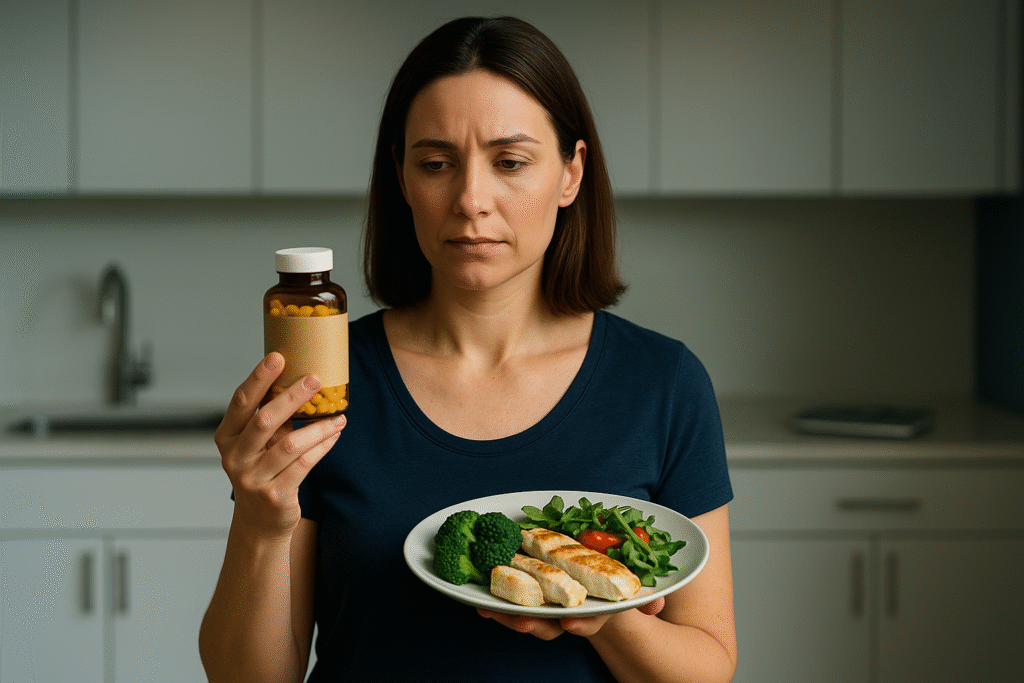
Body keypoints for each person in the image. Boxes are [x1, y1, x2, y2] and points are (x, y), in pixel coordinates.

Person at [199, 15, 736, 683]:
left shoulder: (663, 383)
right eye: (435, 163)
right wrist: (259, 517)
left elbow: (707, 667)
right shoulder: (329, 381)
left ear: (571, 174)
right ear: (401, 176)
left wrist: (599, 603)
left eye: (510, 162)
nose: (471, 199)